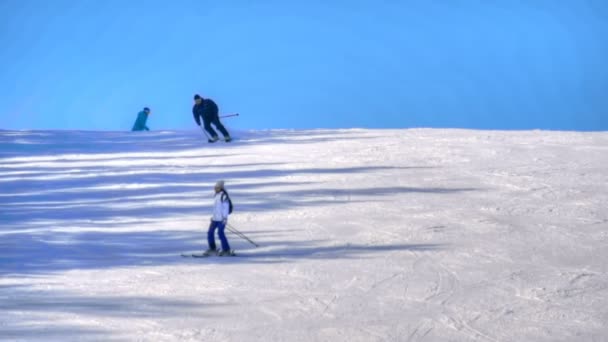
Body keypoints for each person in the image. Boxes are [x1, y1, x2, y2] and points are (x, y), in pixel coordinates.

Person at [203, 180, 235, 256]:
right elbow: (216, 208)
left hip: (221, 219)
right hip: (215, 219)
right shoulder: (216, 195)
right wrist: (213, 217)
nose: (215, 188)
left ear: (221, 188)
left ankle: (226, 250)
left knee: (220, 233)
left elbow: (225, 208)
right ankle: (212, 248)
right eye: (215, 187)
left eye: (217, 187)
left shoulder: (224, 196)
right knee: (210, 233)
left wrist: (224, 218)